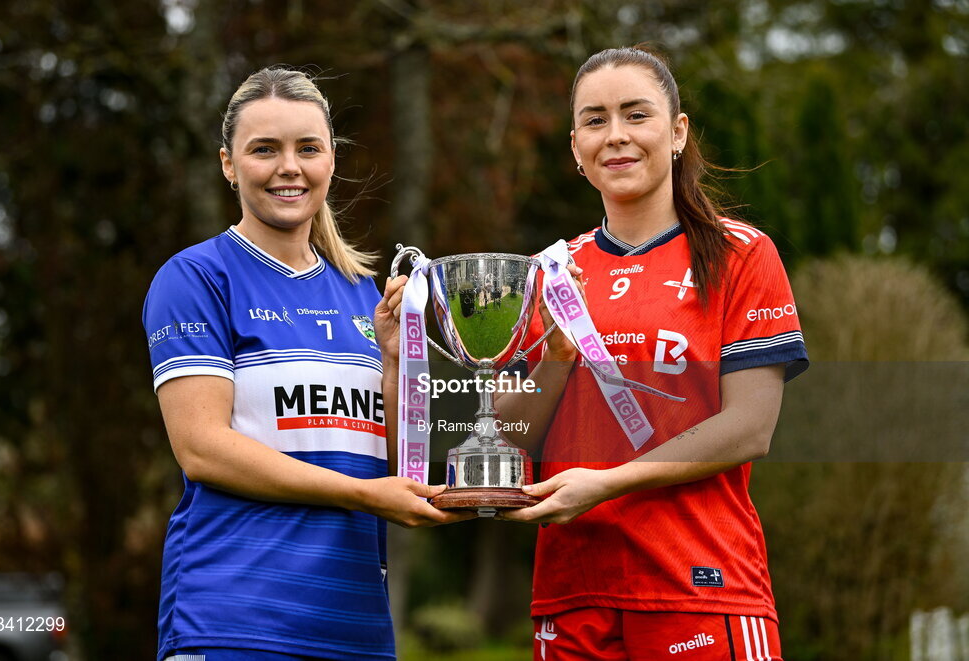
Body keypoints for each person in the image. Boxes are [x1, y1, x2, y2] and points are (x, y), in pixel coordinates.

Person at [142, 66, 469, 661]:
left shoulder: (362, 292)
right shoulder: (194, 278)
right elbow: (202, 448)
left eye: (307, 148)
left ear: (331, 162)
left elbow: (401, 462)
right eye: (264, 149)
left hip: (356, 627)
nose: (289, 167)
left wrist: (394, 363)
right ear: (228, 164)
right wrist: (363, 495)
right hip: (234, 618)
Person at [495, 46, 809, 660]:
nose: (615, 136)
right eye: (595, 120)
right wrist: (556, 356)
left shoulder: (739, 254)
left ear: (677, 132)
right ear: (575, 148)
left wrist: (607, 484)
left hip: (700, 587)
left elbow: (749, 428)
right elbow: (506, 439)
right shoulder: (546, 274)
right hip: (572, 594)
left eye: (636, 115)